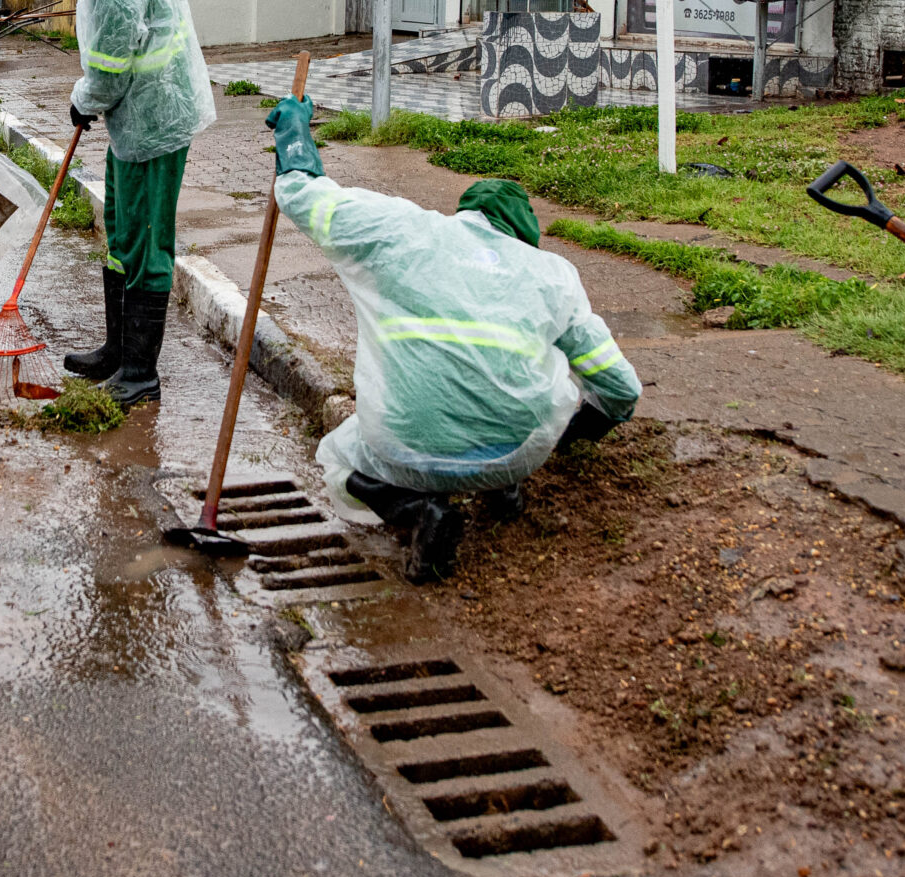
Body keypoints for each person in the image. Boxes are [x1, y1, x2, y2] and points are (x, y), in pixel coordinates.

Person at [261, 95, 644, 583]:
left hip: (404, 445)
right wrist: (561, 441)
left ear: (466, 214)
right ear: (524, 237)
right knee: (534, 396)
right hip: (517, 450)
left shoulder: (401, 231)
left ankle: (418, 509)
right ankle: (502, 487)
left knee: (336, 458)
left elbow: (301, 194)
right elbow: (621, 391)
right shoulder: (553, 275)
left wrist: (295, 134)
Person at [39, 0, 214, 407]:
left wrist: (80, 101)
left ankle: (140, 373)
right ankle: (117, 351)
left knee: (145, 242)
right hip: (139, 118)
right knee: (120, 231)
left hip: (155, 118)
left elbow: (108, 78)